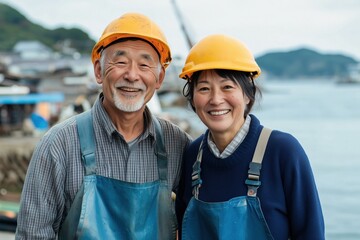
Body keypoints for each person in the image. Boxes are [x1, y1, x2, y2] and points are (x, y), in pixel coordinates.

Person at [16, 13, 191, 239]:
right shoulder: (59, 145)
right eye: (120, 62)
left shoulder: (178, 145)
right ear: (98, 70)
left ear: (159, 78)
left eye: (145, 64)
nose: (132, 75)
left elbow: (195, 225)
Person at [175, 34, 325, 240]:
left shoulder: (283, 151)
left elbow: (311, 234)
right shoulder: (193, 156)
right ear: (193, 98)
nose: (216, 99)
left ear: (248, 94)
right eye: (204, 88)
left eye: (227, 86)